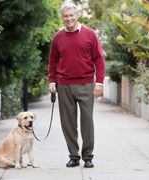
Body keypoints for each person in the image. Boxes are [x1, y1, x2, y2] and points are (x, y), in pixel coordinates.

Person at [48, 2, 105, 168]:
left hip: (86, 83)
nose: (69, 19)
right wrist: (52, 80)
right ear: (62, 17)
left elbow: (99, 59)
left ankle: (88, 157)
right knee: (68, 123)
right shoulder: (58, 37)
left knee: (87, 121)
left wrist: (99, 82)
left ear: (77, 15)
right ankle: (74, 156)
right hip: (64, 84)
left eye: (71, 15)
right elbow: (52, 61)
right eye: (66, 16)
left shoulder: (90, 34)